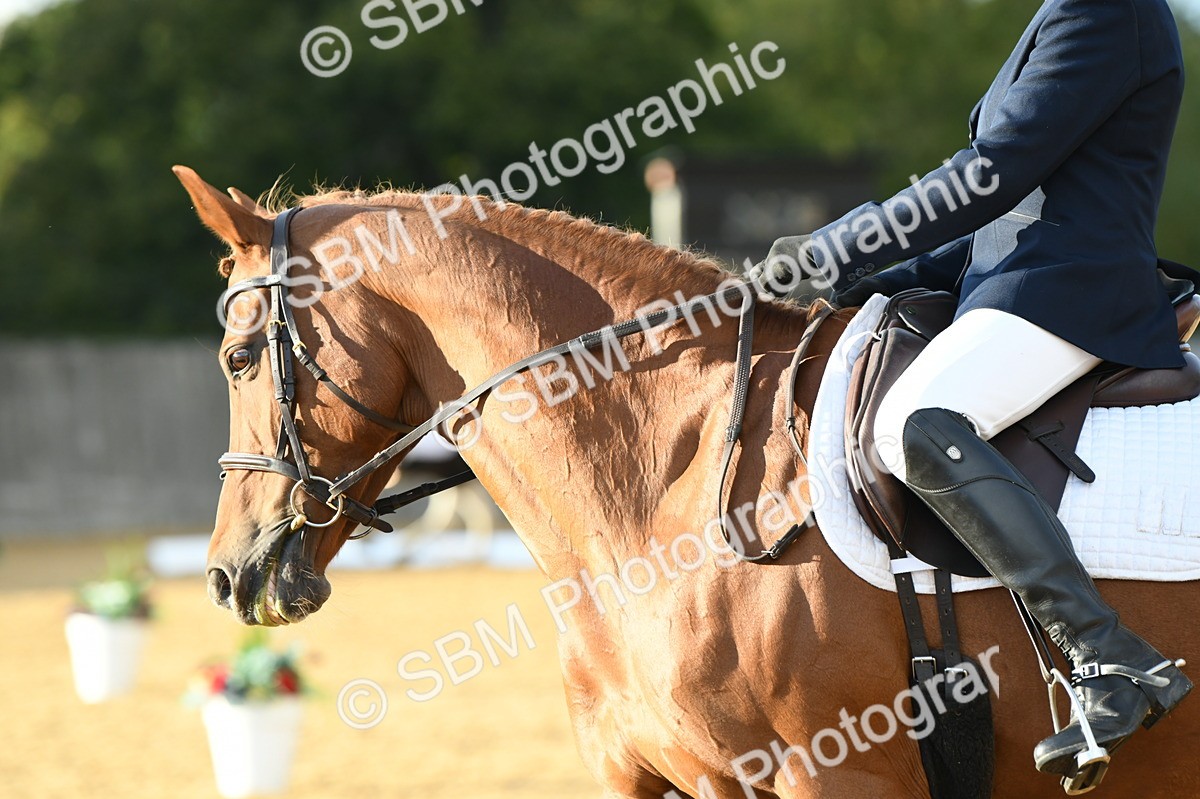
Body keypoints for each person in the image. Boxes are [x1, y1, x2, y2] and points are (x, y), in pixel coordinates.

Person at [756, 0, 1192, 787]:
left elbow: (992, 175)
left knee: (921, 422)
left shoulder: (1109, 11)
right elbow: (998, 221)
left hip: (1072, 292)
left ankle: (1110, 657)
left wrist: (839, 243)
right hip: (1022, 281)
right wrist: (858, 281)